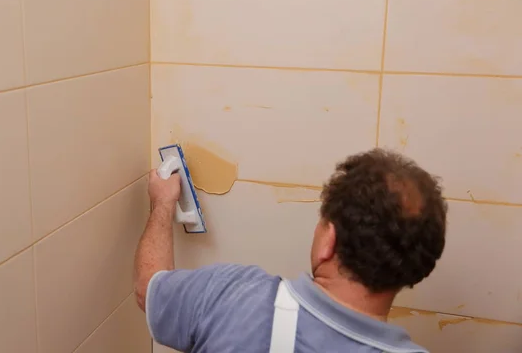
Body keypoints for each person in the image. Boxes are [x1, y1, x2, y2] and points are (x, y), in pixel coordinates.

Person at [134, 148, 447, 353]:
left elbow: (149, 287)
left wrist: (163, 202)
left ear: (329, 242)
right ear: (419, 266)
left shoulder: (232, 297)